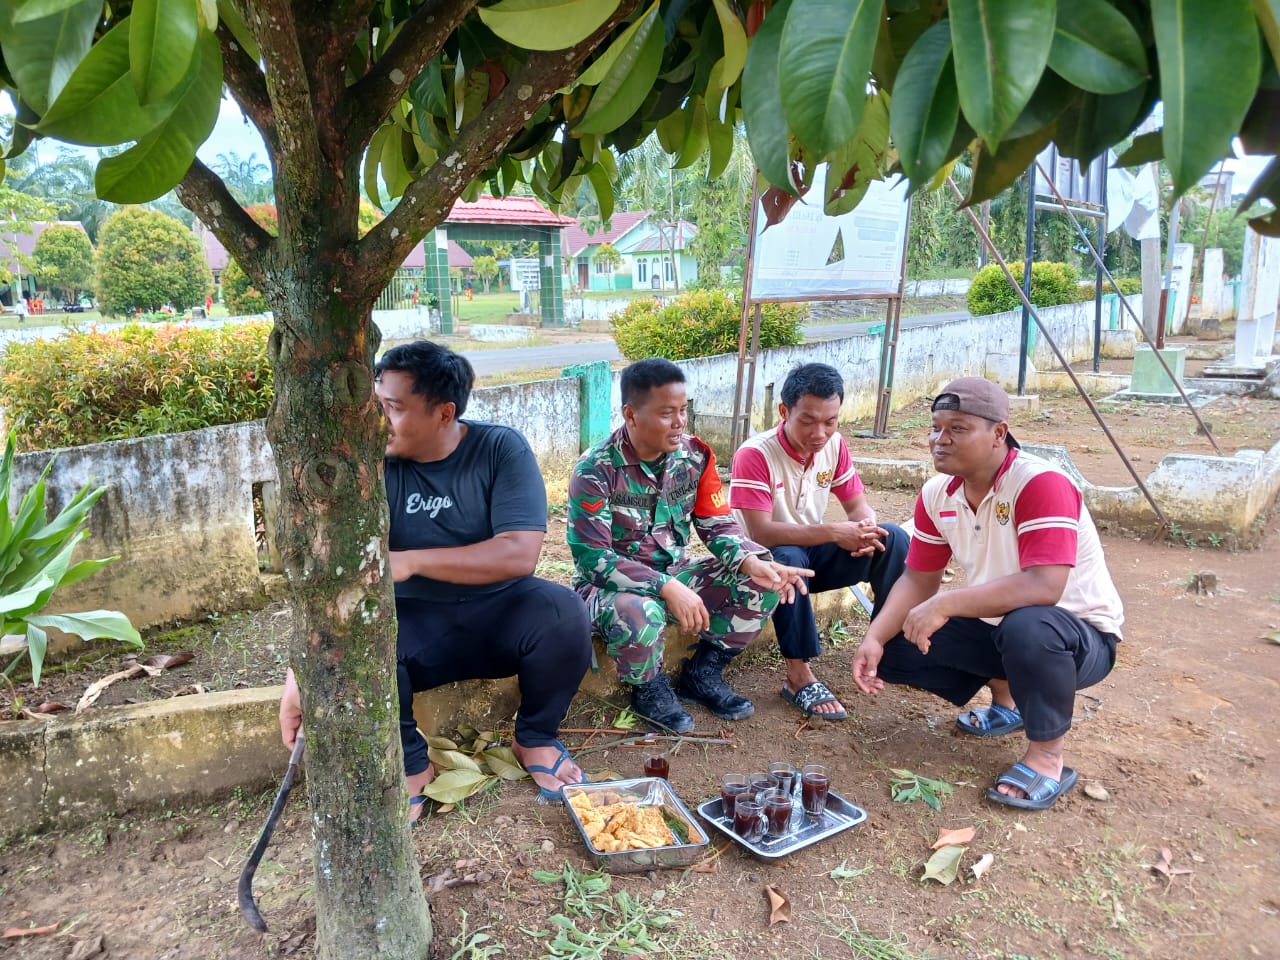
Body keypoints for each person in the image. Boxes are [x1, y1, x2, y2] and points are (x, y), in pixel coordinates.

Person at [279, 340, 592, 817]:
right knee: (367, 637)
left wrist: (412, 561)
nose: (377, 420)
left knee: (564, 613)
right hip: (413, 628)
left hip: (498, 614)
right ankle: (411, 763)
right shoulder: (367, 467)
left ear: (444, 413)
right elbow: (332, 579)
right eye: (376, 405)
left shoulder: (498, 449)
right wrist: (301, 672)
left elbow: (519, 553)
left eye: (394, 408)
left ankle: (535, 738)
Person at [852, 377, 1123, 811]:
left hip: (1076, 638)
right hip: (1003, 629)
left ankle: (1047, 757)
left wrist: (945, 603)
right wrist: (874, 637)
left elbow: (1044, 586)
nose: (940, 440)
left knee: (1029, 625)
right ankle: (1009, 703)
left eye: (957, 428)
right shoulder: (937, 494)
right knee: (897, 643)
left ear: (999, 433)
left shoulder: (1040, 484)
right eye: (936, 428)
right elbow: (918, 579)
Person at [568, 358, 812, 734]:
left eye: (683, 410)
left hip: (674, 574)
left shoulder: (695, 457)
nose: (680, 422)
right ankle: (648, 690)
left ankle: (702, 674)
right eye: (667, 413)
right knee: (641, 610)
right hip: (608, 589)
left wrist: (750, 560)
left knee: (762, 576)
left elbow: (717, 524)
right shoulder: (596, 470)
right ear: (631, 415)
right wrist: (665, 586)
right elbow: (592, 559)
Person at [730, 363, 908, 721]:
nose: (820, 433)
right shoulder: (755, 454)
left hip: (810, 554)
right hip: (758, 564)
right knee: (786, 557)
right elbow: (761, 532)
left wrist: (866, 528)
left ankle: (888, 645)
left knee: (893, 539)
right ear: (784, 411)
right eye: (808, 421)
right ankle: (798, 675)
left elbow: (857, 505)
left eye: (831, 421)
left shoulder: (834, 445)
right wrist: (834, 532)